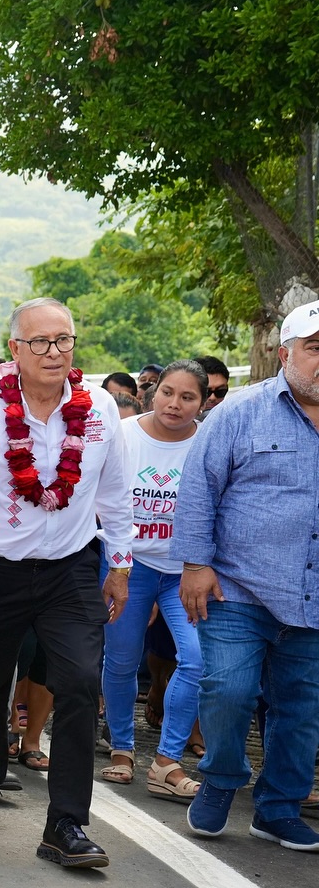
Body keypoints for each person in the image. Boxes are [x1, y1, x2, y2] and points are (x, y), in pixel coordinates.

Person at [0, 296, 133, 869]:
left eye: (62, 340)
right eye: (39, 342)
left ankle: (66, 822)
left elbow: (115, 493)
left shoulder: (100, 412)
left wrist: (119, 565)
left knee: (78, 681)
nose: (53, 352)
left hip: (70, 568)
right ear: (14, 350)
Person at [175, 299, 319, 851]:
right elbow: (198, 489)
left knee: (301, 707)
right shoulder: (240, 411)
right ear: (285, 353)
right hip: (237, 587)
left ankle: (278, 808)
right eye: (314, 348)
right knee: (228, 690)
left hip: (312, 597)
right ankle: (220, 779)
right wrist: (195, 564)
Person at [99, 360, 207, 801]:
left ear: (202, 403)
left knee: (198, 661)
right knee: (122, 660)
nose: (174, 404)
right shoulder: (123, 437)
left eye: (187, 397)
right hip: (127, 566)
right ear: (152, 392)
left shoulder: (210, 442)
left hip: (186, 571)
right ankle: (122, 750)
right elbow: (99, 499)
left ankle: (166, 760)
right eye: (167, 392)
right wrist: (117, 566)